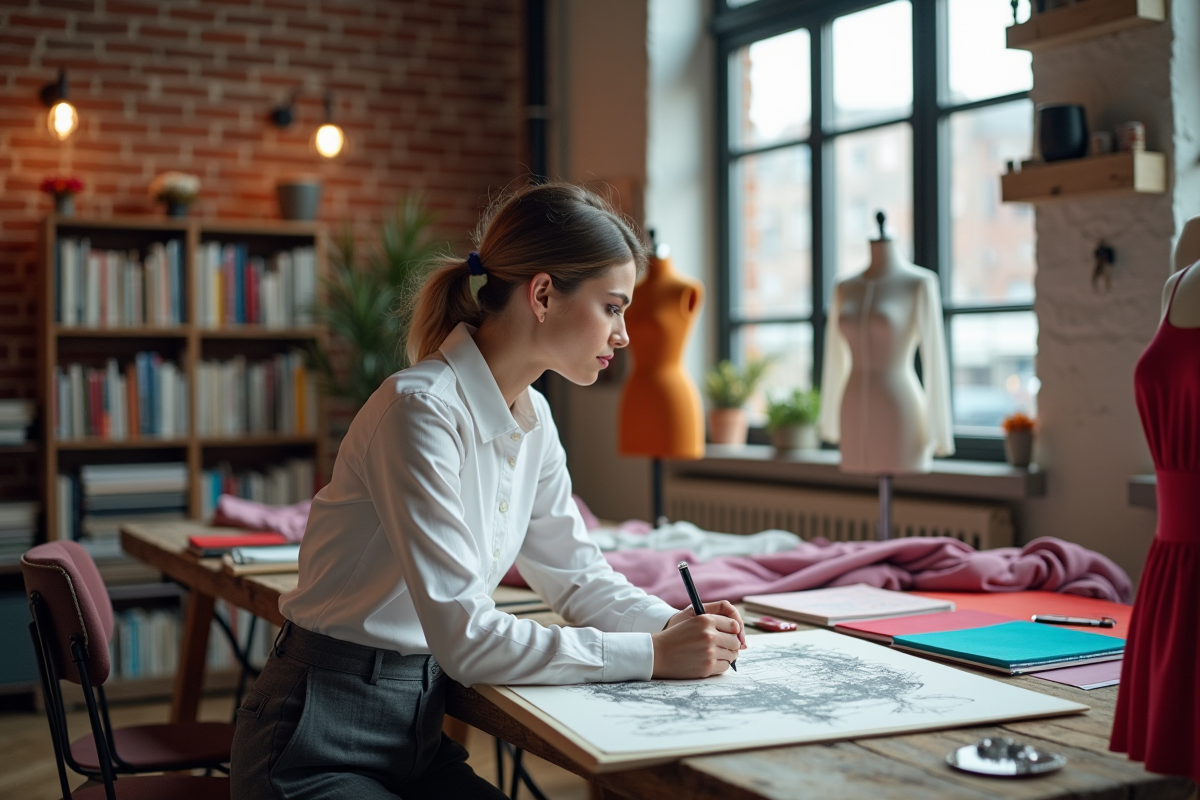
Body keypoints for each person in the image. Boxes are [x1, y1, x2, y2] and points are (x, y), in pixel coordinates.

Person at [230, 182, 746, 799]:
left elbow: (578, 577)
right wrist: (653, 655)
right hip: (316, 739)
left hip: (416, 735)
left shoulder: (534, 419)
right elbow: (468, 640)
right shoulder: (418, 411)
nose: (625, 334)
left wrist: (677, 627)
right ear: (544, 294)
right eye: (613, 307)